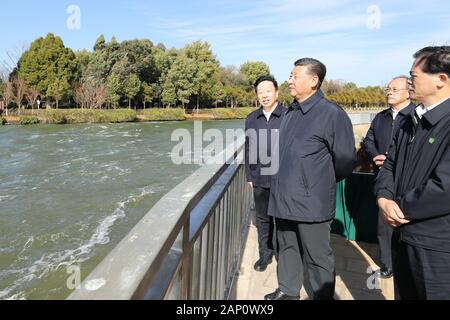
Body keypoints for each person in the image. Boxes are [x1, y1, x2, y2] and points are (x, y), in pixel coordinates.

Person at [265, 58, 356, 300]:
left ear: (314, 81)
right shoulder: (290, 111)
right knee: (287, 247)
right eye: (290, 75)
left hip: (311, 202)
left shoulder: (331, 114)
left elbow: (346, 161)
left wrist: (316, 181)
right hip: (283, 197)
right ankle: (287, 290)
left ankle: (321, 295)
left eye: (295, 76)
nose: (290, 81)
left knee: (317, 257)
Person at [375, 46, 450, 299]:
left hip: (437, 247)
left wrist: (399, 208)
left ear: (441, 80)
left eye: (414, 75)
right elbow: (389, 164)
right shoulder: (409, 121)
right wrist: (384, 199)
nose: (409, 81)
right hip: (403, 238)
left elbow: (444, 187)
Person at [363, 76, 416, 278]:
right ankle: (387, 264)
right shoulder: (380, 117)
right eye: (388, 88)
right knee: (383, 224)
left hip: (407, 180)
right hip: (383, 179)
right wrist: (376, 154)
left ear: (408, 92)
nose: (389, 92)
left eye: (394, 89)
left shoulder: (415, 117)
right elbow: (368, 140)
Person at [245, 75, 286, 272]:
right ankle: (265, 255)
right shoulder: (252, 118)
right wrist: (249, 176)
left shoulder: (288, 116)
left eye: (268, 91)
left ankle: (283, 255)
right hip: (259, 177)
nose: (264, 95)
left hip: (283, 179)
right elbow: (248, 148)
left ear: (277, 92)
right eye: (260, 92)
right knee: (262, 218)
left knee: (283, 219)